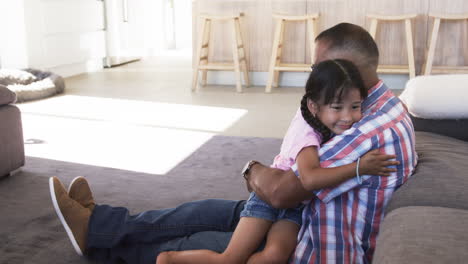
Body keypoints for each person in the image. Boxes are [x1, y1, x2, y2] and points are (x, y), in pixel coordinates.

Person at [49, 22, 417, 264]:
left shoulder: (359, 126)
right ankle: (97, 223)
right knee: (203, 209)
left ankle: (103, 243)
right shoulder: (380, 103)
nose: (312, 76)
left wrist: (251, 169)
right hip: (304, 210)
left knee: (205, 241)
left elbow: (283, 192)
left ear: (343, 69)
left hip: (308, 235)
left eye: (317, 67)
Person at [155, 59, 399, 264]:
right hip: (268, 199)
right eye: (337, 107)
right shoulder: (306, 133)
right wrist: (359, 168)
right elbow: (310, 178)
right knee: (230, 259)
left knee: (274, 257)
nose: (348, 117)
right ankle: (170, 258)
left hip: (296, 206)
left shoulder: (337, 125)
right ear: (314, 106)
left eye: (355, 106)